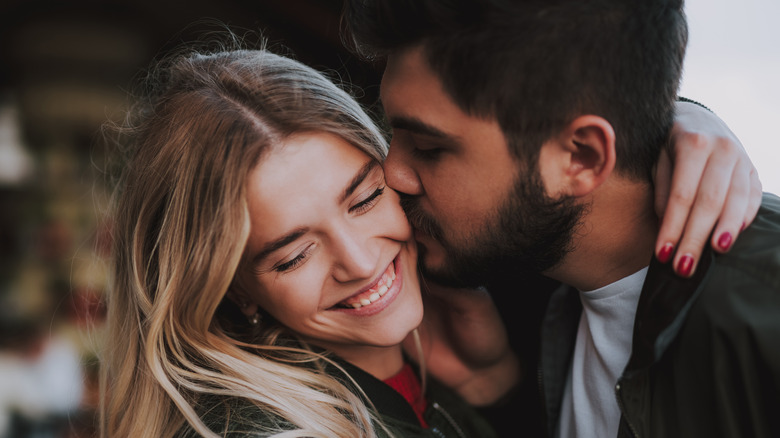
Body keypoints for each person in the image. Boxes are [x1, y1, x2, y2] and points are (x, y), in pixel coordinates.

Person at [343, 0, 779, 437]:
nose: (392, 173)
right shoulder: (528, 266)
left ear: (581, 157)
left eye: (428, 146)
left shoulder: (761, 316)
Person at [100, 45, 506, 438]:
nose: (360, 262)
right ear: (233, 289)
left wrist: (491, 384)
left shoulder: (434, 377)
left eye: (364, 199)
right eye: (294, 257)